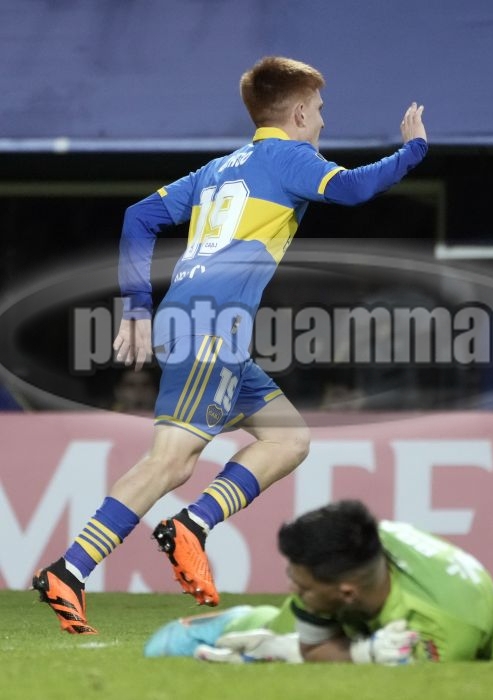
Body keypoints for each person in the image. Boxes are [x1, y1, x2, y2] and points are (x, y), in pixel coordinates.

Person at [32, 56, 428, 634]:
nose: (323, 121)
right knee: (171, 461)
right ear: (298, 113)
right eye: (319, 110)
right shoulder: (290, 158)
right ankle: (70, 570)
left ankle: (191, 526)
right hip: (209, 328)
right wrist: (413, 150)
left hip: (205, 327)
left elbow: (140, 216)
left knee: (288, 438)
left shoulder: (219, 169)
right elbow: (352, 188)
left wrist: (139, 306)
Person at [145, 500, 493, 664]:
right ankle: (254, 621)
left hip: (438, 619)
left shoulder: (446, 628)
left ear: (346, 592)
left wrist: (286, 656)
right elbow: (314, 647)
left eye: (303, 588)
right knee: (163, 646)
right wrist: (357, 654)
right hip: (359, 611)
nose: (293, 590)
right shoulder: (349, 552)